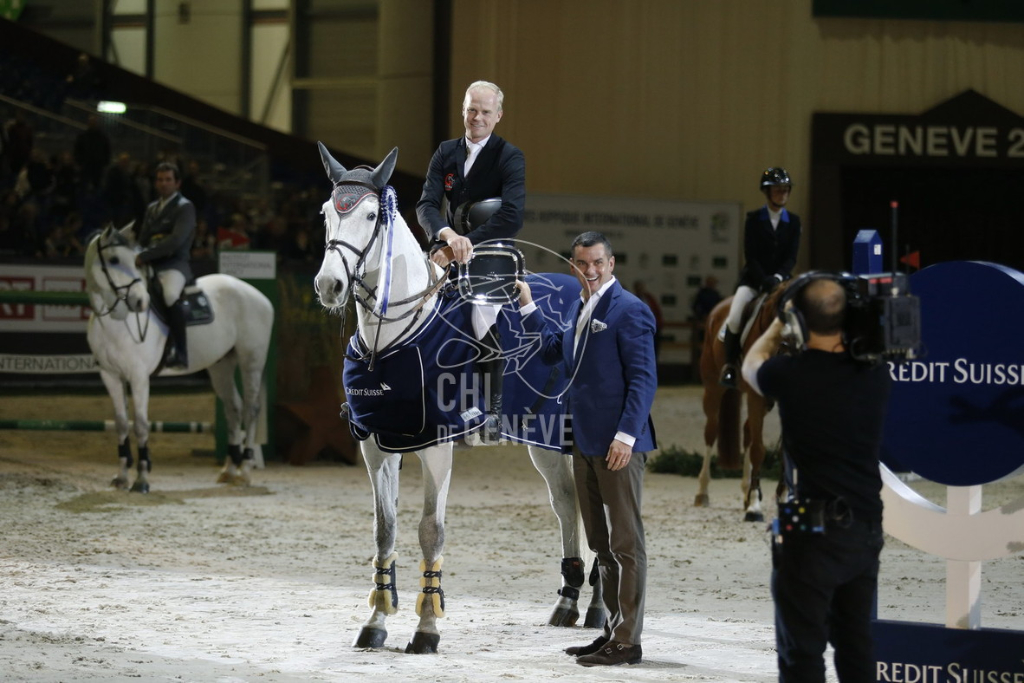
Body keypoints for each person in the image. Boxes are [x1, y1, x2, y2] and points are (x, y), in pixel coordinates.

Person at [741, 276, 891, 683]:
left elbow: (750, 364)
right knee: (857, 645)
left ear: (797, 321)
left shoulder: (790, 375)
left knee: (801, 653)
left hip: (808, 521)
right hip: (865, 522)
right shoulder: (877, 376)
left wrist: (775, 327)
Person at [518, 231, 657, 667]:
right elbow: (555, 350)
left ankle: (629, 641)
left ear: (611, 264)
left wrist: (626, 436)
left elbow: (643, 380)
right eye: (582, 264)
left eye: (597, 263)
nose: (590, 271)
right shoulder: (582, 307)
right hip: (584, 443)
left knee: (626, 544)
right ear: (574, 266)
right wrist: (526, 303)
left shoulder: (630, 311)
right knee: (600, 542)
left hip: (618, 446)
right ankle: (611, 631)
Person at [415, 80, 526, 442]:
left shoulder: (509, 156)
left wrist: (465, 244)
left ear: (498, 116)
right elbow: (427, 205)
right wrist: (447, 238)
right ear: (463, 110)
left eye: (485, 111)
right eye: (471, 109)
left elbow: (511, 215)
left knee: (483, 314)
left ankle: (493, 411)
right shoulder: (445, 152)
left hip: (491, 252)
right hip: (445, 248)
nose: (477, 117)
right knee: (411, 305)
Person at [719, 167, 801, 388]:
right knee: (735, 317)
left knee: (799, 318)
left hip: (781, 282)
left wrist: (778, 276)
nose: (782, 194)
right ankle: (730, 366)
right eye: (777, 190)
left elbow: (791, 257)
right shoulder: (754, 219)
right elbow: (751, 254)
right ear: (767, 192)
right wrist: (764, 278)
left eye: (785, 190)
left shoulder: (794, 222)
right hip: (754, 281)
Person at [136, 162, 196, 369]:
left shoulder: (185, 207)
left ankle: (180, 351)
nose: (163, 184)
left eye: (168, 180)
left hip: (174, 264)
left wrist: (145, 255)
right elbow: (143, 238)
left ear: (177, 183)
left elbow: (175, 241)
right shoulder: (152, 208)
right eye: (160, 180)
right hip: (151, 263)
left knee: (170, 295)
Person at [633, 280, 664, 362]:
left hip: (652, 329)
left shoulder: (649, 298)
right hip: (639, 331)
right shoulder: (632, 299)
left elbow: (657, 312)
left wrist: (659, 325)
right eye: (638, 287)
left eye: (641, 287)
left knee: (653, 352)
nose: (640, 289)